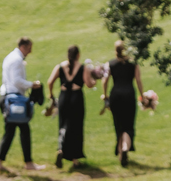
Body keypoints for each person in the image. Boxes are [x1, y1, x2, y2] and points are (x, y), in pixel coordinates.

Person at [0, 36, 45, 172]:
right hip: (14, 100)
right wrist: (32, 85)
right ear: (23, 46)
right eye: (29, 48)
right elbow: (16, 81)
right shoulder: (16, 60)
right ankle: (26, 163)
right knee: (20, 130)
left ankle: (0, 162)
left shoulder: (11, 57)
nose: (30, 51)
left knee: (13, 131)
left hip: (9, 98)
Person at [47, 43, 96, 169]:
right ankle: (75, 159)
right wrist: (95, 79)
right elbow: (89, 84)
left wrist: (52, 96)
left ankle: (61, 149)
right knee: (76, 127)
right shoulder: (82, 67)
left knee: (63, 125)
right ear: (78, 55)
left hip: (63, 97)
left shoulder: (60, 66)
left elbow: (50, 81)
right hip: (76, 98)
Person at [102, 39, 145, 167]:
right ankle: (126, 148)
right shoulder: (133, 63)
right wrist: (143, 96)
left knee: (118, 125)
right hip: (129, 95)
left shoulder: (110, 64)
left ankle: (121, 154)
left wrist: (105, 96)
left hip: (115, 95)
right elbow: (138, 80)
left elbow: (104, 80)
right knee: (128, 125)